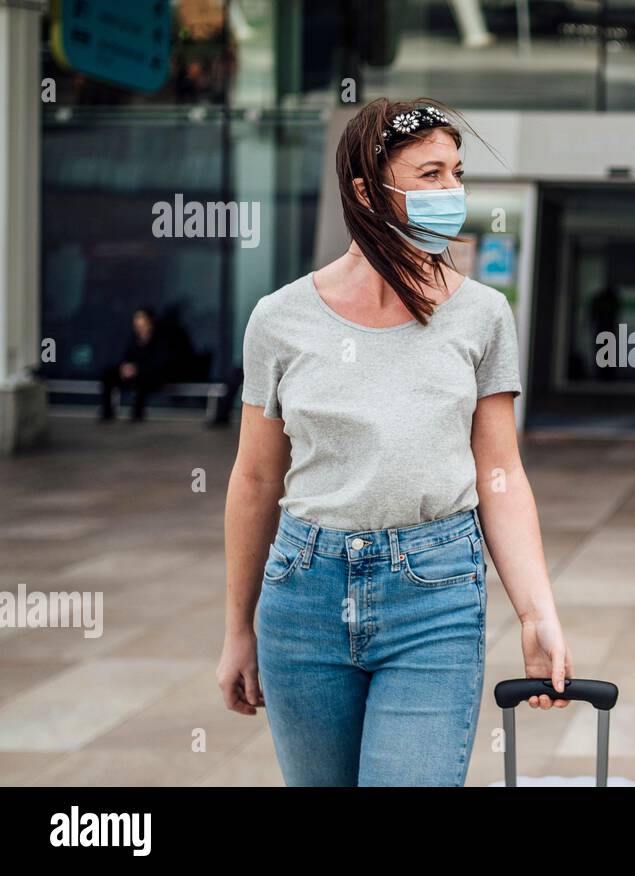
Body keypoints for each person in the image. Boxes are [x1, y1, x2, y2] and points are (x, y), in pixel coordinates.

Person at [218, 98, 573, 786]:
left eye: (457, 174)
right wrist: (239, 629)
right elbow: (255, 480)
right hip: (303, 593)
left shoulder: (482, 314)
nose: (452, 193)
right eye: (431, 174)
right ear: (365, 191)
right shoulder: (280, 319)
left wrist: (538, 612)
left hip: (433, 593)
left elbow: (500, 474)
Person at [99, 307, 172, 421]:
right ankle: (107, 412)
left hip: (152, 376)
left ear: (148, 320)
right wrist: (124, 367)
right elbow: (126, 356)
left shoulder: (160, 338)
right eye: (136, 318)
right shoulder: (133, 338)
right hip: (133, 374)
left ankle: (137, 412)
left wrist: (137, 369)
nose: (136, 320)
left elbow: (160, 362)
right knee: (108, 374)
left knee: (144, 377)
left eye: (139, 317)